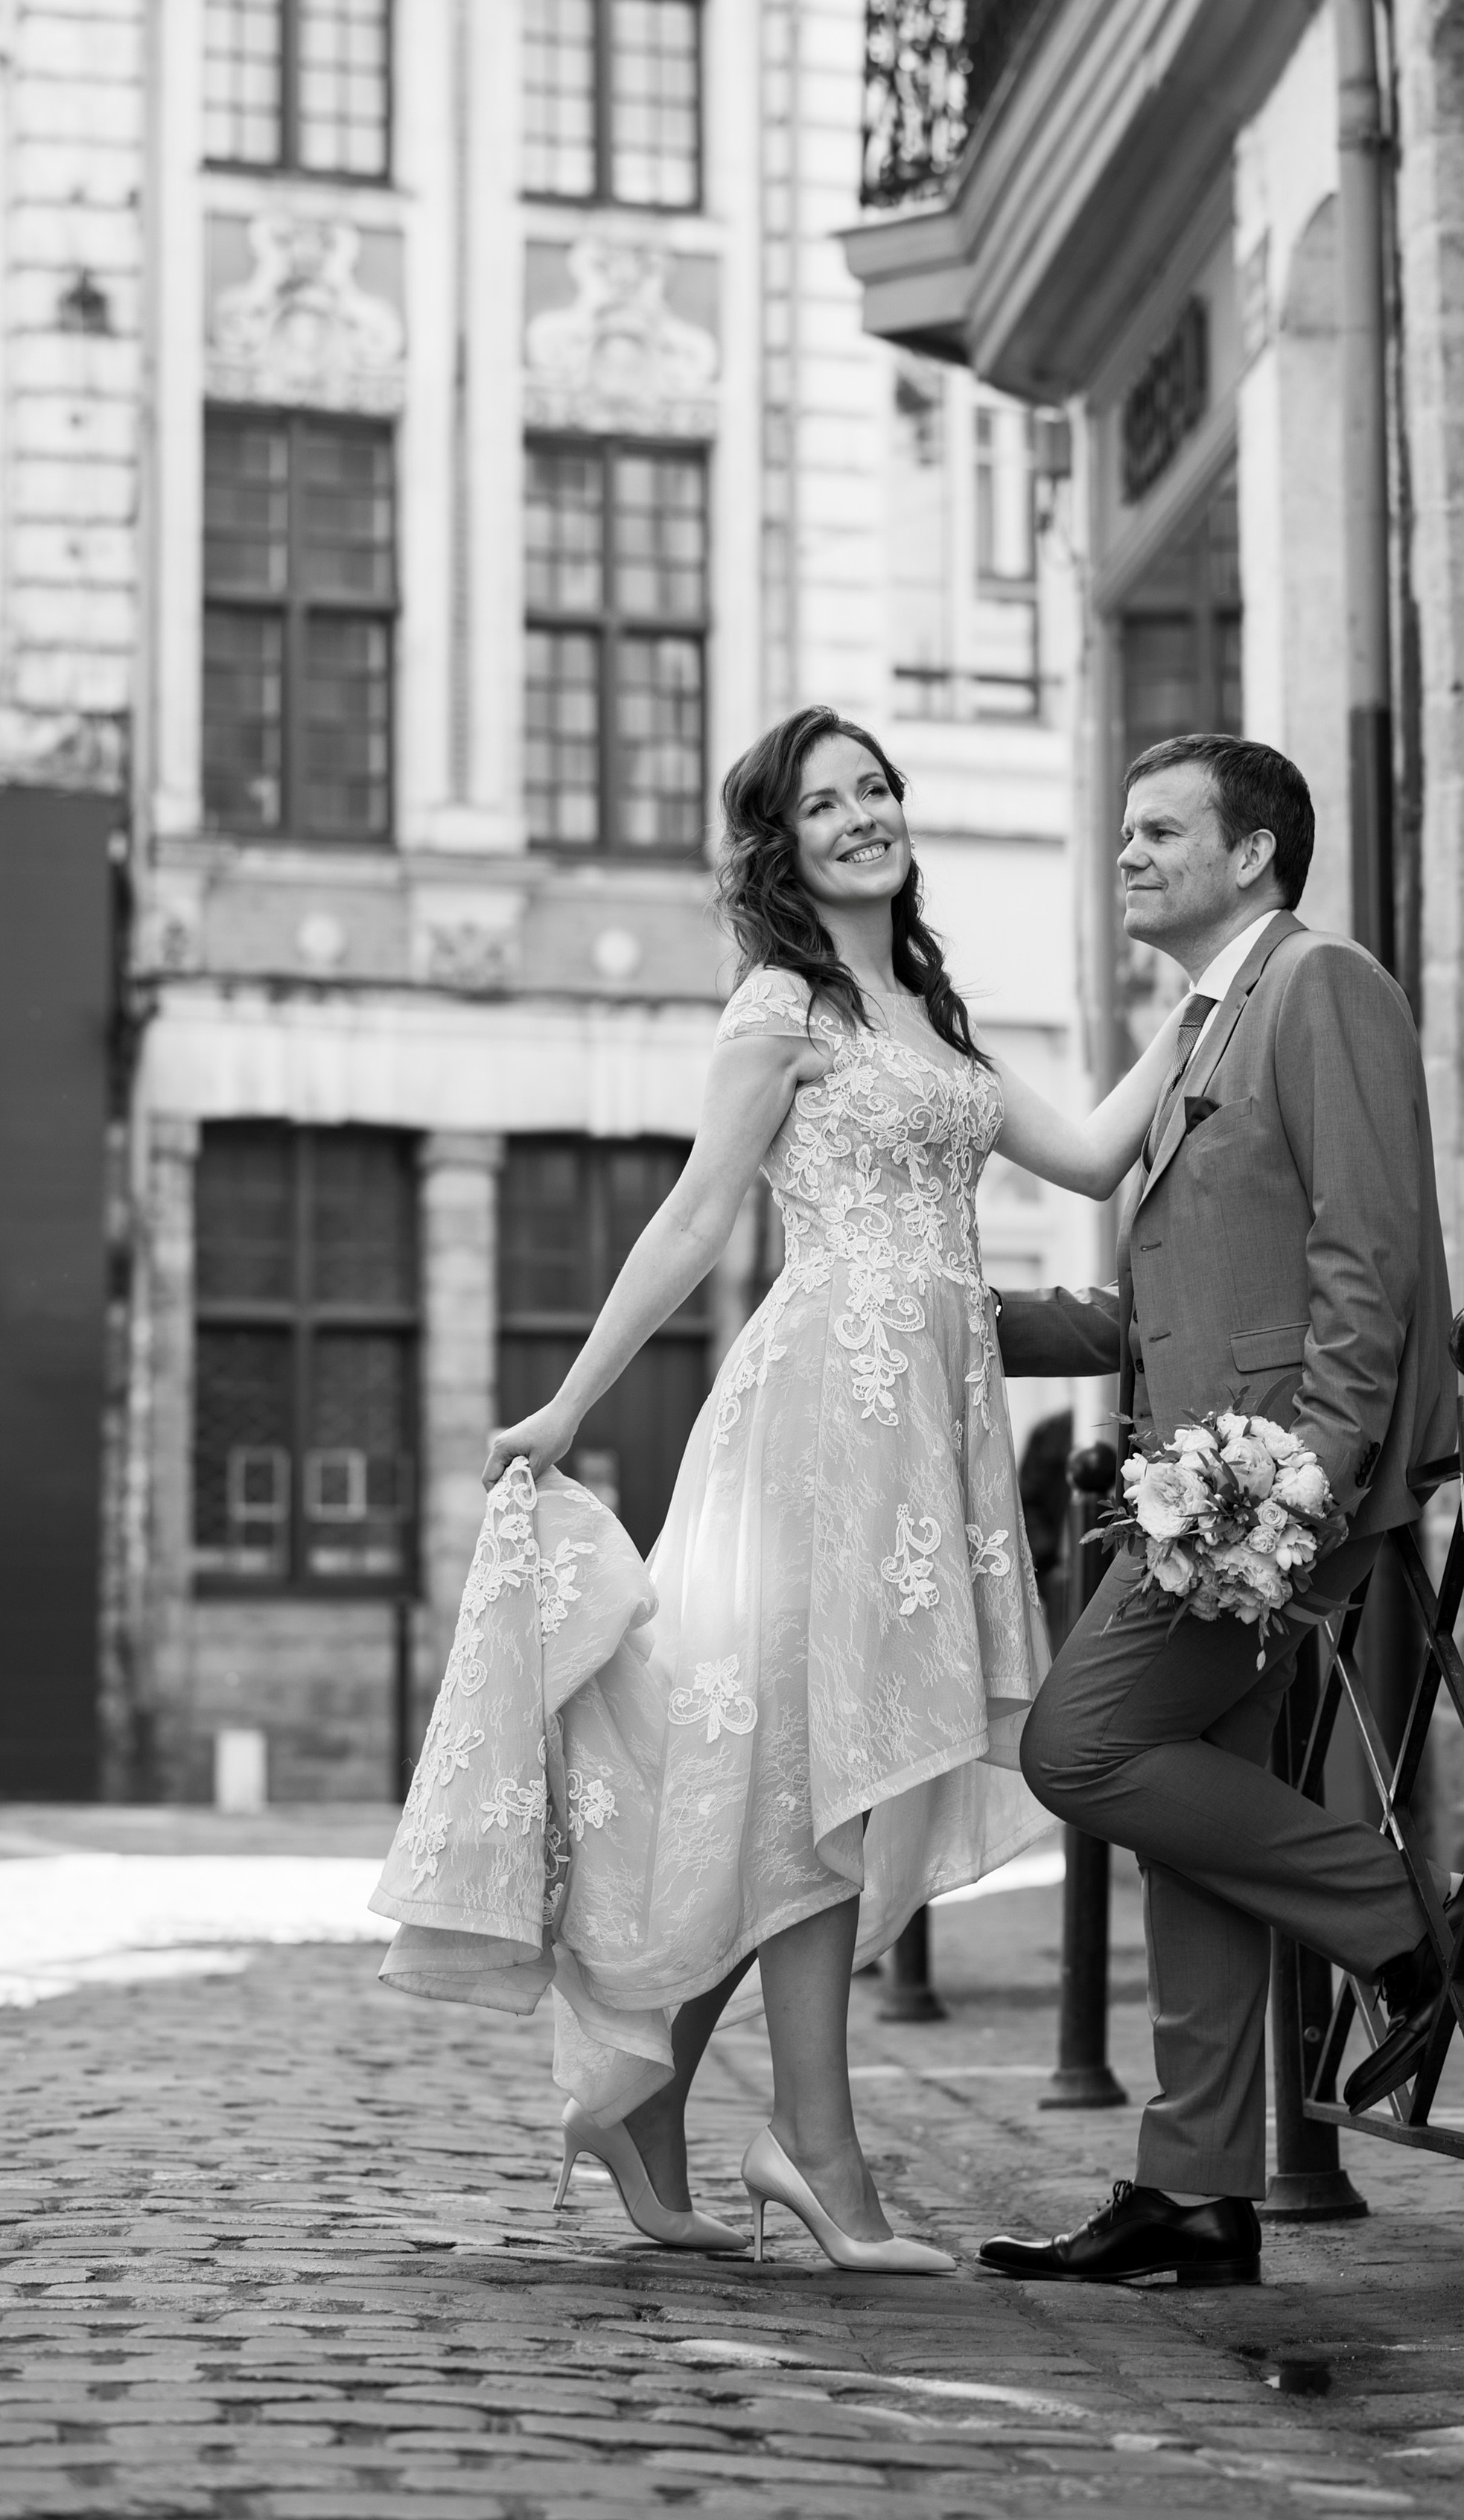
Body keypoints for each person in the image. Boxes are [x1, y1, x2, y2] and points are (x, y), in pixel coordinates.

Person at [372, 705, 1194, 2274]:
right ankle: (812, 2151)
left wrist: (1208, 990)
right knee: (809, 1775)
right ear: (783, 843)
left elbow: (1090, 1156)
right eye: (826, 803)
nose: (863, 814)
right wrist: (564, 1402)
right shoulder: (777, 1005)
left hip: (922, 1445)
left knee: (806, 1784)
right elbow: (688, 1223)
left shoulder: (929, 1010)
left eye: (876, 787)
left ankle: (656, 2095)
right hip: (814, 1416)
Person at [979, 733, 1463, 2291]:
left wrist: (1297, 1486)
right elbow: (1183, 1298)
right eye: (1120, 829)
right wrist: (974, 1319)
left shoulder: (1320, 985)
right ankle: (1193, 2191)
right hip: (1203, 1487)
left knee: (1081, 1743)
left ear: (1248, 853)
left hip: (1258, 1502)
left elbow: (1365, 1251)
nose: (1124, 852)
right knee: (1183, 1816)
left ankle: (1406, 1923)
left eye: (1156, 829)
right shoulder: (1202, 1025)